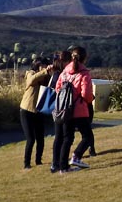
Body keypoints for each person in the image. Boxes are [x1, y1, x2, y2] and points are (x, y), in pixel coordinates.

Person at [51, 45, 96, 173]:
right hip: (80, 110)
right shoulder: (84, 73)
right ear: (84, 58)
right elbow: (86, 94)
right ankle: (76, 156)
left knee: (67, 139)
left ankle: (63, 167)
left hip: (66, 110)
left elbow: (58, 88)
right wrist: (88, 100)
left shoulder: (65, 72)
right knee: (87, 137)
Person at [19, 57, 52, 170]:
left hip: (39, 111)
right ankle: (26, 163)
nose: (46, 67)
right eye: (44, 65)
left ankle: (38, 160)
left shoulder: (46, 77)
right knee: (30, 139)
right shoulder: (30, 73)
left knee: (40, 138)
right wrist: (44, 71)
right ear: (38, 65)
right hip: (26, 110)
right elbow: (31, 81)